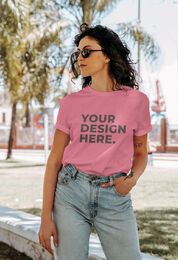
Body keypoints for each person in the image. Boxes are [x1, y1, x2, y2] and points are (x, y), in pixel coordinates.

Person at [38, 23, 152, 260]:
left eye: (87, 51)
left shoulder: (137, 101)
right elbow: (54, 160)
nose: (81, 57)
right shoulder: (71, 103)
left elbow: (141, 152)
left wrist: (131, 181)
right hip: (71, 192)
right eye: (78, 52)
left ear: (108, 55)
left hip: (114, 195)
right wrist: (45, 218)